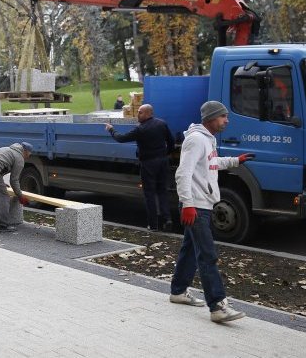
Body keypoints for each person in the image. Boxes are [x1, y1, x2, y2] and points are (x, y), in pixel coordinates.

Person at [169, 100, 254, 323]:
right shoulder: (196, 140)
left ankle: (178, 291)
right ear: (211, 118)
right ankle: (217, 306)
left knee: (190, 250)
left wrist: (236, 160)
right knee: (207, 255)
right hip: (195, 205)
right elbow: (183, 173)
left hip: (202, 204)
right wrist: (187, 204)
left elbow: (211, 163)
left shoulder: (208, 139)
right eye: (223, 116)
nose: (227, 120)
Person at [105, 104, 175, 232]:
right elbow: (171, 141)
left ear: (149, 113)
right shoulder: (162, 124)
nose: (138, 115)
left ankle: (153, 225)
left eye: (140, 112)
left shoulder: (140, 129)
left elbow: (121, 138)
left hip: (148, 164)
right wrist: (166, 154)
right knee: (162, 191)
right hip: (163, 162)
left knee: (149, 194)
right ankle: (167, 219)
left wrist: (111, 129)